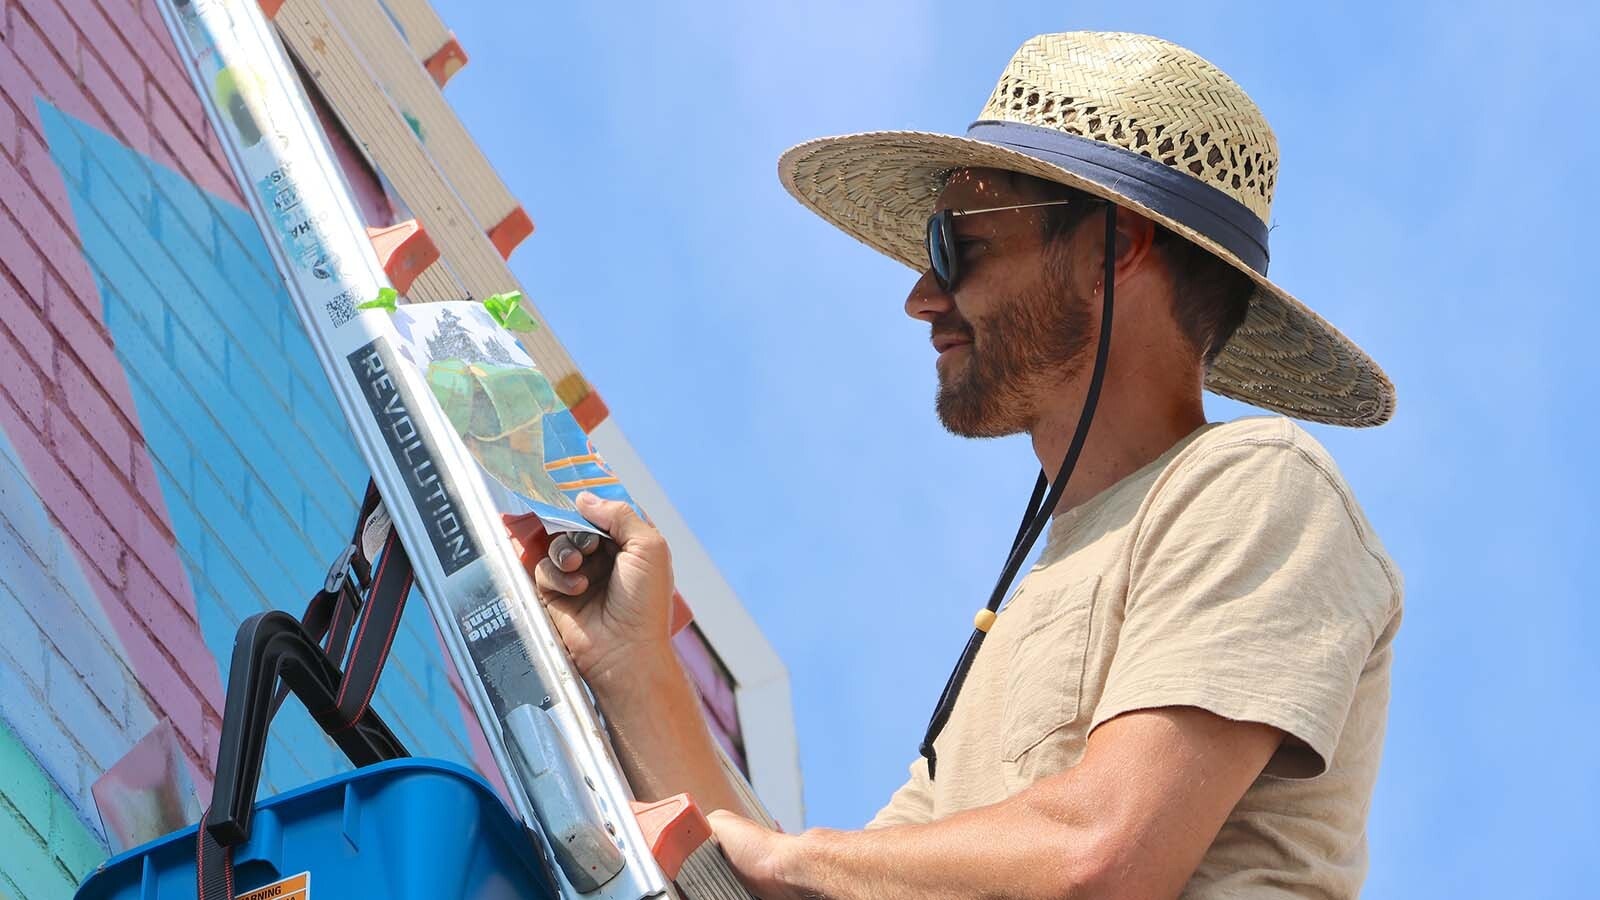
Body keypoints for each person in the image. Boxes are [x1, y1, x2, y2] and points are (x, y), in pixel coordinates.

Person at [529, 31, 1403, 899]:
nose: (920, 298)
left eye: (956, 246)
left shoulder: (1260, 483)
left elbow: (1104, 855)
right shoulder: (1033, 606)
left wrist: (803, 859)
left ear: (1118, 248)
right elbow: (783, 888)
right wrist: (630, 661)